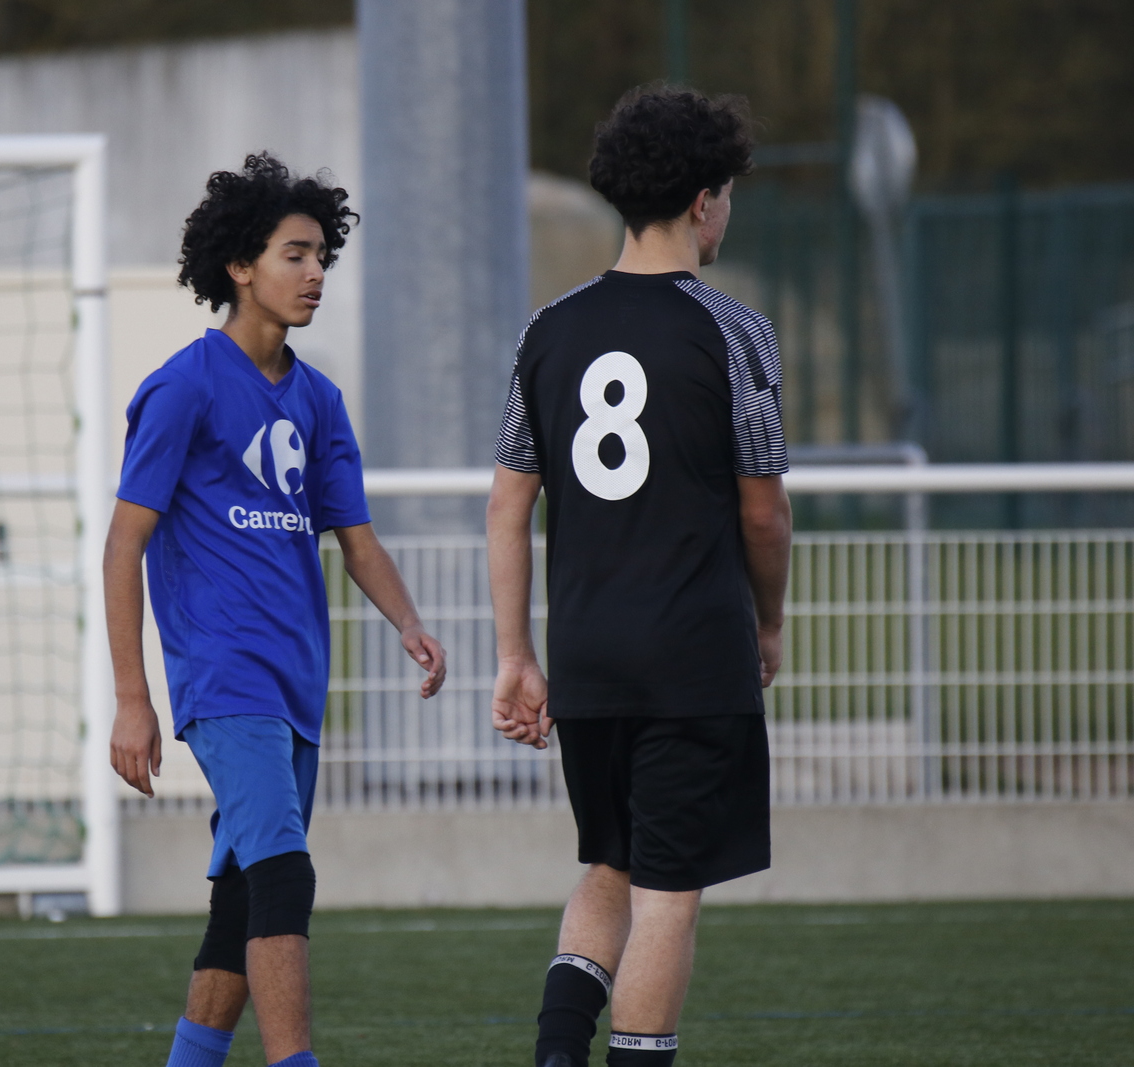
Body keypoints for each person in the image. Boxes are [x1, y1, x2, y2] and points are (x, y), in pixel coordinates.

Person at [105, 153, 447, 1067]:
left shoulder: (319, 398)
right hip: (225, 681)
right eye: (295, 254)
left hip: (298, 686)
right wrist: (134, 699)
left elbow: (357, 540)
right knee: (285, 878)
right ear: (239, 266)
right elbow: (123, 545)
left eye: (322, 256)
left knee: (242, 902)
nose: (315, 273)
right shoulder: (183, 387)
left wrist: (410, 623)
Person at [487, 87, 793, 1067]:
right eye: (729, 194)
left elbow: (506, 505)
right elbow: (763, 510)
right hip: (690, 653)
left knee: (609, 863)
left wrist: (515, 655)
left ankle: (555, 1055)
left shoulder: (547, 329)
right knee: (667, 893)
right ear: (704, 201)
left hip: (588, 655)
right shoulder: (734, 330)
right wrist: (769, 621)